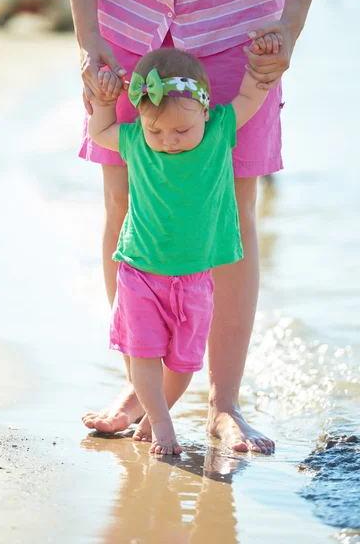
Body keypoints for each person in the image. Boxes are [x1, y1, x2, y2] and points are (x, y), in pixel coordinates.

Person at [53, 0, 338, 454]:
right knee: (121, 205)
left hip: (240, 28)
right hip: (124, 20)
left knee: (231, 213)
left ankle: (224, 402)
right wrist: (88, 35)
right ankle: (143, 390)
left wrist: (290, 24)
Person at [88, 44, 276, 454]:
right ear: (141, 119)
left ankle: (160, 414)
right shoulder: (137, 140)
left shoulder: (219, 131)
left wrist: (263, 60)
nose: (169, 141)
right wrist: (104, 103)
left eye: (181, 131)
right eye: (157, 131)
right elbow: (100, 133)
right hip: (139, 271)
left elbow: (250, 97)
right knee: (143, 349)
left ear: (206, 113)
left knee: (183, 361)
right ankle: (160, 423)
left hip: (195, 277)